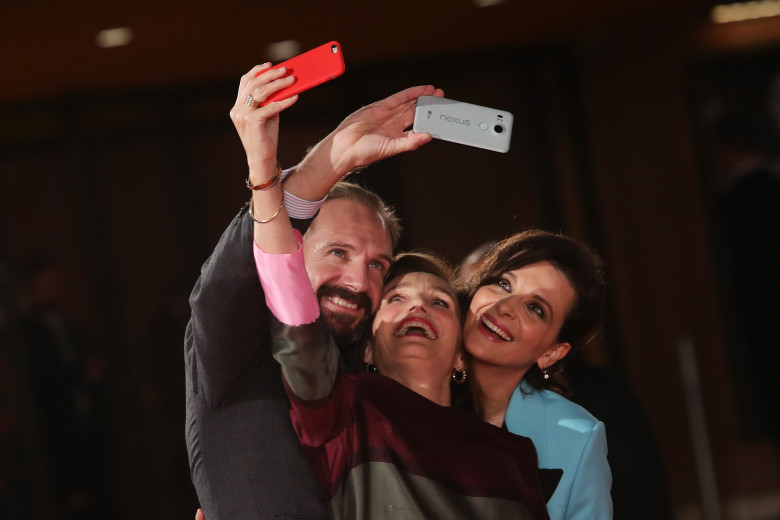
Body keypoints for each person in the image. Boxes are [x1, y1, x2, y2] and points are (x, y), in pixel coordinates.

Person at [245, 90, 551, 516]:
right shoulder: (342, 410)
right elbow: (294, 313)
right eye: (395, 298)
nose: (417, 308)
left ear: (462, 353)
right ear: (367, 345)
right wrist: (264, 175)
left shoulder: (513, 456)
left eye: (440, 302)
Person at [185, 63, 443, 519]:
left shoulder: (379, 384)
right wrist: (321, 164)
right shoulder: (239, 356)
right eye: (338, 253)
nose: (359, 282)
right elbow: (226, 285)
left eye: (377, 265)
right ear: (290, 252)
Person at [460, 231, 613, 520]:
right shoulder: (411, 388)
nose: (505, 308)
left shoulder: (577, 437)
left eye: (535, 309)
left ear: (552, 353)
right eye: (504, 284)